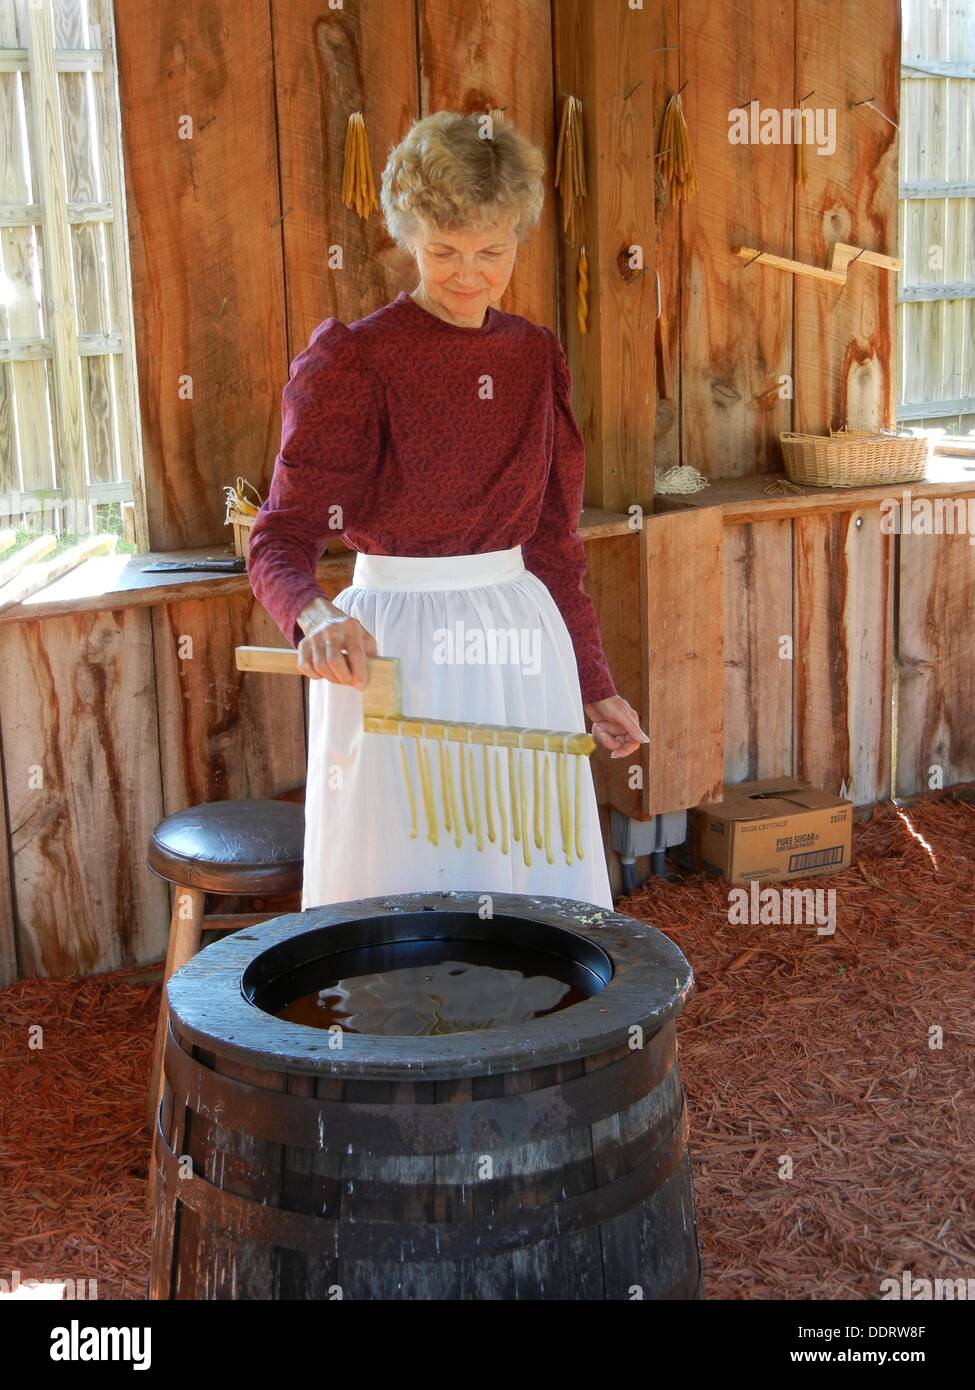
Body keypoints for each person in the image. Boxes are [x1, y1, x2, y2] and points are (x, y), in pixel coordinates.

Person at [247, 110, 648, 913]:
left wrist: (594, 684)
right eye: (443, 253)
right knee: (405, 884)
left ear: (517, 240)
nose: (467, 276)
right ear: (408, 237)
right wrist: (313, 615)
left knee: (524, 875)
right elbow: (278, 539)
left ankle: (533, 1035)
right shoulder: (352, 360)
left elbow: (551, 543)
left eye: (490, 254)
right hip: (392, 648)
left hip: (518, 641)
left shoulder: (534, 356)